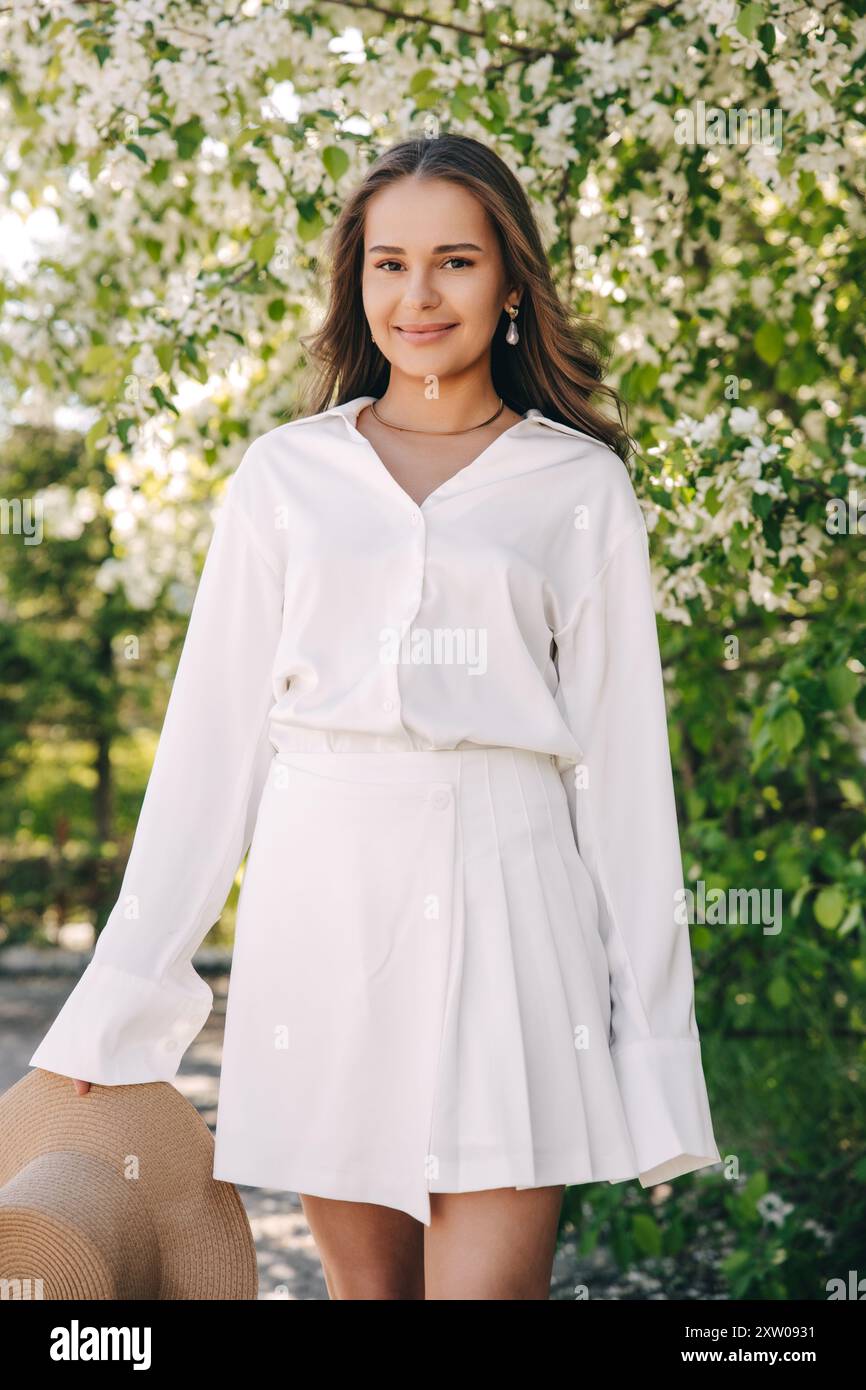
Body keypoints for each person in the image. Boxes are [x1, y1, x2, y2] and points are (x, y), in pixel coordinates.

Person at [30, 132, 721, 1301]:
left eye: (453, 260)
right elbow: (209, 754)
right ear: (356, 283)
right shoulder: (283, 478)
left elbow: (622, 783)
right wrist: (120, 997)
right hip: (323, 910)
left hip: (514, 900)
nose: (417, 294)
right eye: (387, 263)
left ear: (509, 283)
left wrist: (648, 1041)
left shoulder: (578, 489)